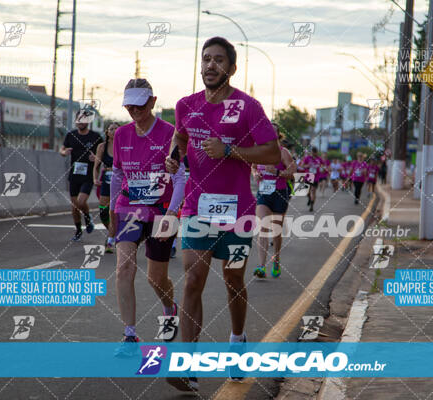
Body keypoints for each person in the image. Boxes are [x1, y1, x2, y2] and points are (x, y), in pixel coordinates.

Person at [165, 36, 280, 391]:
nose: (210, 65)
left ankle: (237, 340)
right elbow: (181, 138)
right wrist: (174, 157)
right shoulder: (185, 105)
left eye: (218, 60)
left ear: (231, 68)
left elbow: (273, 154)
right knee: (194, 281)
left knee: (233, 282)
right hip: (198, 207)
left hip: (237, 211)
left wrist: (230, 149)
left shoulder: (249, 107)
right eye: (206, 59)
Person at [109, 79, 186, 356]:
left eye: (140, 104)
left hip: (159, 208)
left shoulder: (170, 134)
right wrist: (110, 210)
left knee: (156, 278)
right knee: (124, 268)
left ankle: (169, 307)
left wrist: (170, 213)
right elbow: (117, 174)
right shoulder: (121, 135)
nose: (133, 110)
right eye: (129, 104)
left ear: (152, 102)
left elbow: (179, 178)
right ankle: (130, 336)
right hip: (129, 206)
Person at [252, 124, 296, 279]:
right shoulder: (259, 151)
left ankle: (276, 260)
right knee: (263, 228)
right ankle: (261, 266)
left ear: (278, 135)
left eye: (273, 131)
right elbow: (254, 167)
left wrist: (277, 172)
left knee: (276, 232)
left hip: (280, 193)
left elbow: (293, 173)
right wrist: (256, 174)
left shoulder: (283, 152)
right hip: (263, 193)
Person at [59, 112, 102, 241]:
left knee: (81, 201)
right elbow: (61, 150)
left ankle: (88, 218)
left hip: (88, 174)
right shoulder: (71, 135)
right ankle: (78, 231)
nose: (80, 122)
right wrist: (64, 152)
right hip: (74, 174)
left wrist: (96, 158)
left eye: (83, 120)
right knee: (74, 206)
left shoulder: (95, 137)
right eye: (78, 119)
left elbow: (103, 153)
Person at [94, 122, 119, 253]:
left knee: (114, 212)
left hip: (120, 180)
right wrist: (95, 178)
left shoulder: (124, 145)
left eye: (117, 128)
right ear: (107, 132)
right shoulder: (102, 147)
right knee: (104, 212)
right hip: (106, 178)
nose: (114, 131)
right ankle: (112, 230)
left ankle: (110, 241)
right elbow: (96, 165)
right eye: (111, 129)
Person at [301, 147, 322, 211]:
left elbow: (323, 166)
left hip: (316, 177)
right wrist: (307, 166)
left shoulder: (319, 159)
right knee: (307, 191)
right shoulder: (307, 158)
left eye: (315, 152)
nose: (314, 154)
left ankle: (312, 206)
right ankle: (309, 199)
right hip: (308, 176)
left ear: (316, 152)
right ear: (311, 152)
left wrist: (322, 169)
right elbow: (303, 165)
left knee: (313, 191)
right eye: (313, 152)